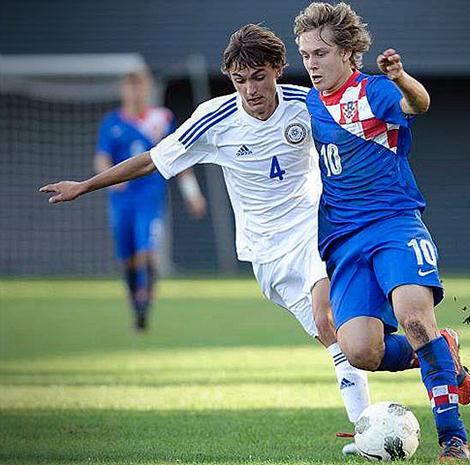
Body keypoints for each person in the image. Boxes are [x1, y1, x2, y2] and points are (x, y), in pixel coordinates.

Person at [40, 25, 371, 445]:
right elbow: (152, 160)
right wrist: (85, 185)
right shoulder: (215, 119)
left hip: (314, 230)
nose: (250, 90)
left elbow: (358, 129)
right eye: (240, 80)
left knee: (328, 317)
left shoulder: (307, 103)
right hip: (264, 251)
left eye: (259, 77)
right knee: (337, 340)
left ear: (277, 69)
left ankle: (367, 429)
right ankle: (426, 354)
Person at [295, 2, 470, 461]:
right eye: (306, 54)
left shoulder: (373, 91)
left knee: (414, 319)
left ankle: (453, 437)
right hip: (343, 240)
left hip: (394, 223)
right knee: (360, 351)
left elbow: (419, 104)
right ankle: (442, 349)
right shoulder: (307, 103)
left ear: (347, 52)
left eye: (320, 53)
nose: (312, 64)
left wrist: (400, 77)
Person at [95, 68, 207, 332]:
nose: (135, 93)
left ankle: (145, 303)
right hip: (121, 202)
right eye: (130, 87)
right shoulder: (112, 123)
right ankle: (135, 302)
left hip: (150, 200)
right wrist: (110, 177)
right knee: (128, 259)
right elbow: (101, 157)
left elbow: (180, 157)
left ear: (147, 89)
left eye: (140, 87)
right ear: (123, 90)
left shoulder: (161, 119)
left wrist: (192, 194)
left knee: (146, 251)